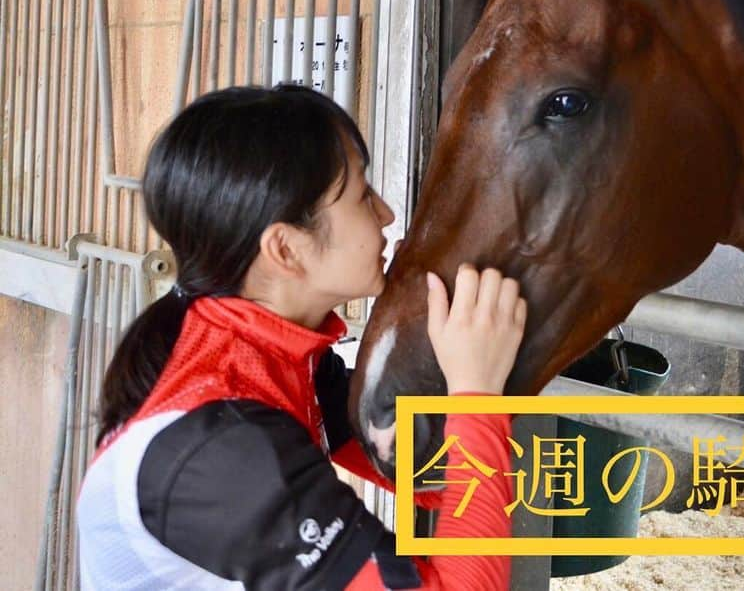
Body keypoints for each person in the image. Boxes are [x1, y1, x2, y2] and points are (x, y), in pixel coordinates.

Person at [76, 85, 525, 590]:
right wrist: (476, 393)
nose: (386, 214)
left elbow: (426, 470)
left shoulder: (277, 358)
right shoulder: (220, 447)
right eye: (361, 196)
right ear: (286, 249)